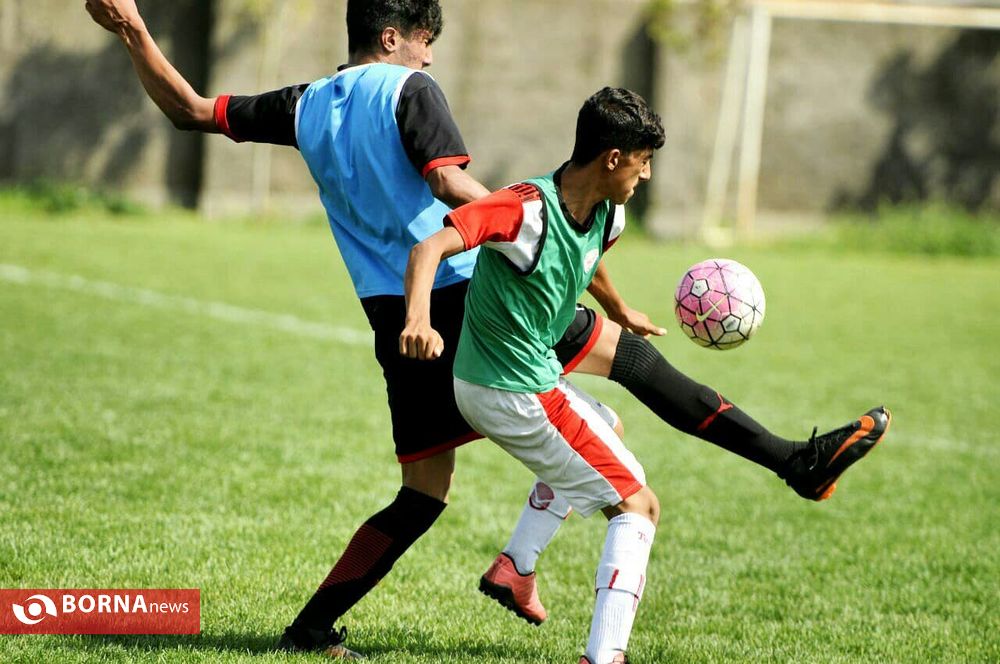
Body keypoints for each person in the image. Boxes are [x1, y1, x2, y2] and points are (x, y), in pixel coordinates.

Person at [85, 0, 891, 657]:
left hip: (395, 317)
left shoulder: (306, 103)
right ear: (394, 38)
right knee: (638, 373)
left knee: (423, 493)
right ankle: (792, 463)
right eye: (425, 41)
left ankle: (318, 625)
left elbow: (190, 110)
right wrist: (526, 216)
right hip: (469, 292)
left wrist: (133, 28)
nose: (431, 58)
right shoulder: (408, 90)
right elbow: (447, 183)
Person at [400, 87, 891, 664]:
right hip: (513, 390)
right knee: (639, 507)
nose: (649, 174)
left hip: (514, 378)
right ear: (613, 159)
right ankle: (604, 655)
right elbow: (430, 247)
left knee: (608, 424)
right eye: (644, 160)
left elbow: (586, 256)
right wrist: (417, 320)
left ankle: (515, 566)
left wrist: (618, 308)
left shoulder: (608, 212)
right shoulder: (523, 207)